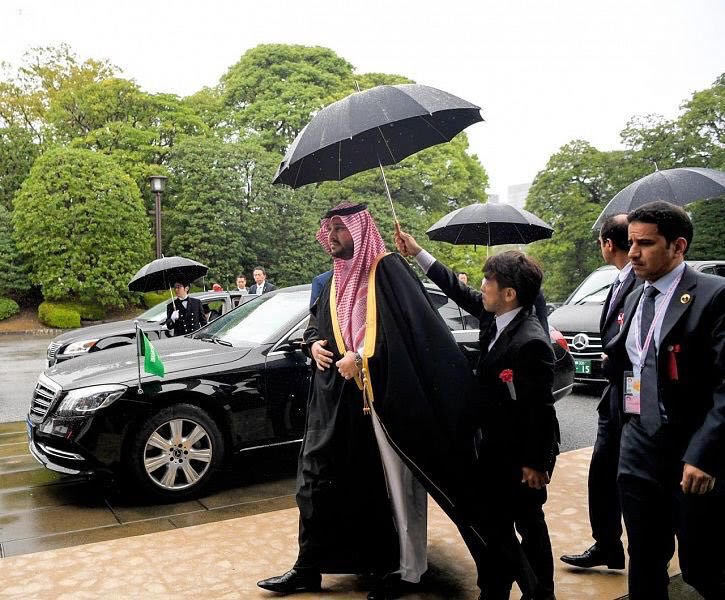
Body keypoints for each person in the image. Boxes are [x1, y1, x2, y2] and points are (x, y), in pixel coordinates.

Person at [258, 203, 482, 599]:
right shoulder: (331, 281)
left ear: (360, 232)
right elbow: (315, 325)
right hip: (337, 403)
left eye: (340, 230)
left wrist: (360, 357)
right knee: (317, 481)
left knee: (398, 485)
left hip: (387, 398)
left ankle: (409, 570)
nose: (332, 237)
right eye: (328, 229)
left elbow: (409, 333)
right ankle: (310, 567)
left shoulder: (388, 271)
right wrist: (313, 345)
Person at [396, 229, 558, 600]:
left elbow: (540, 411)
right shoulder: (496, 317)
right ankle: (495, 588)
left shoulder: (530, 341)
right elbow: (457, 288)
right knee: (495, 523)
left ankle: (541, 592)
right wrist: (419, 253)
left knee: (529, 524)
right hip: (494, 449)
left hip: (521, 457)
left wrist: (536, 463)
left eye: (488, 281)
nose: (481, 286)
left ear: (509, 293)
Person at [604, 201, 725, 600]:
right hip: (639, 444)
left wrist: (705, 454)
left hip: (690, 451)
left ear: (678, 246)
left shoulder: (713, 296)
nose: (633, 252)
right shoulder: (636, 293)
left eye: (646, 243)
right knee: (645, 555)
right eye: (631, 242)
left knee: (703, 566)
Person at [560, 214, 639, 570]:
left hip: (635, 397)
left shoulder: (640, 283)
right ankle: (607, 544)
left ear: (608, 244)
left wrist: (611, 355)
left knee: (630, 477)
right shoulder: (619, 281)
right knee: (603, 472)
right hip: (616, 394)